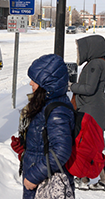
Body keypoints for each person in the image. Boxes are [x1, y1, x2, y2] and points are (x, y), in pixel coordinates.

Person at [11, 54, 75, 199]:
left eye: (35, 80)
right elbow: (44, 139)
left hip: (45, 181)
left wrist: (34, 176)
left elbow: (61, 150)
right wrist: (25, 147)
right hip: (38, 173)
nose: (30, 83)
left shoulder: (57, 110)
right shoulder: (45, 102)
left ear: (47, 84)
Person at [69, 34, 105, 192]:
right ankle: (91, 179)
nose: (79, 53)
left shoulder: (95, 64)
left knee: (93, 146)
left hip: (92, 111)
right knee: (91, 145)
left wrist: (71, 86)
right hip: (91, 109)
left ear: (92, 48)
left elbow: (89, 89)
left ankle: (102, 180)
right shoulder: (97, 63)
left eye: (81, 49)